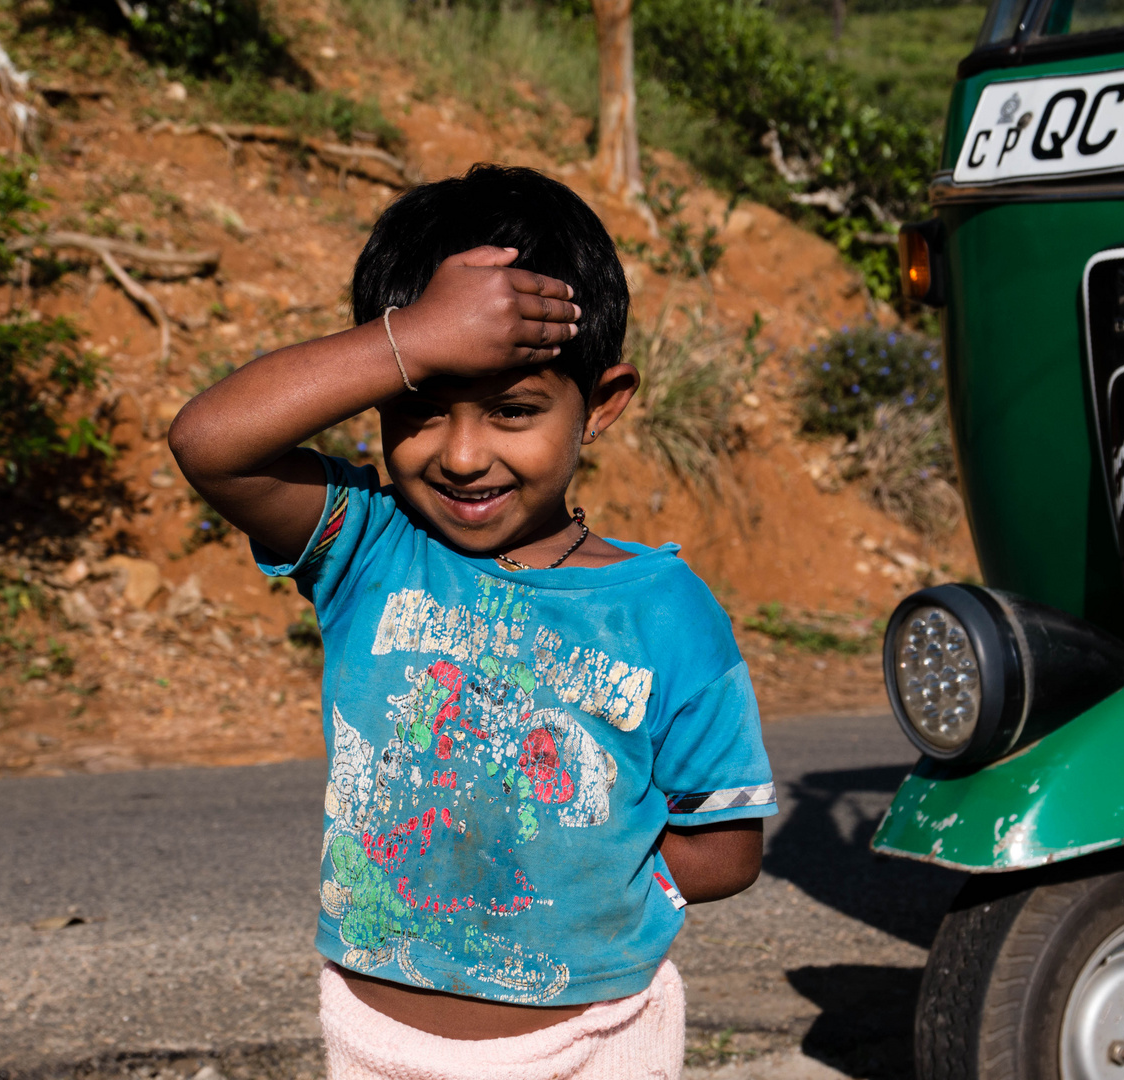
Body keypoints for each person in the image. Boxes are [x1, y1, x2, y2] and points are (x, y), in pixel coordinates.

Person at [169, 164, 776, 1080]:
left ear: (600, 405)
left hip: (594, 1044)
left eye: (513, 410)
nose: (460, 454)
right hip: (378, 1044)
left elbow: (723, 847)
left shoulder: (665, 613)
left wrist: (587, 891)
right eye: (418, 411)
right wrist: (413, 337)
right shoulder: (366, 546)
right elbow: (210, 442)